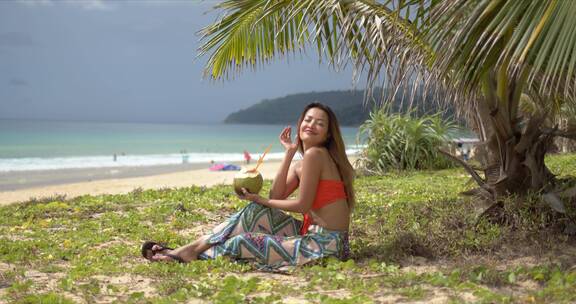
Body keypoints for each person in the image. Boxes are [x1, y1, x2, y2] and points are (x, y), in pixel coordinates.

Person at [141, 102, 355, 269]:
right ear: (300, 125)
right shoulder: (307, 159)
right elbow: (276, 195)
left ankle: (184, 254)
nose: (312, 125)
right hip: (311, 233)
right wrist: (289, 153)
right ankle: (188, 250)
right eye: (308, 120)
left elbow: (301, 204)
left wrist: (261, 199)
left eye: (320, 123)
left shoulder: (316, 154)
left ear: (328, 134)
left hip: (326, 246)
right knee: (255, 212)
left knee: (240, 243)